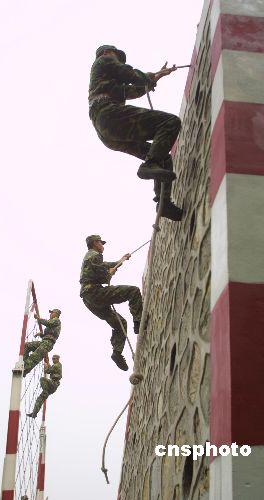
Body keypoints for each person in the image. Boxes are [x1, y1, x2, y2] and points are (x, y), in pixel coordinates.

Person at [88, 44, 183, 221]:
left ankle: (164, 203)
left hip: (107, 131)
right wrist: (147, 78)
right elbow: (130, 74)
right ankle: (150, 165)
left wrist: (156, 77)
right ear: (108, 52)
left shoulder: (107, 83)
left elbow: (133, 90)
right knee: (170, 122)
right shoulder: (104, 60)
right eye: (117, 56)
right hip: (109, 114)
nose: (118, 60)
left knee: (163, 156)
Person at [80, 235, 143, 371]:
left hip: (89, 299)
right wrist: (111, 273)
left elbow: (106, 266)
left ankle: (117, 353)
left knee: (120, 323)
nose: (103, 245)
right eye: (101, 243)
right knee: (134, 291)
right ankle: (139, 322)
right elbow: (104, 276)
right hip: (95, 292)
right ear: (95, 243)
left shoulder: (90, 257)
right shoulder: (94, 256)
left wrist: (121, 260)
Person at [23, 309, 61, 376]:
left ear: (56, 314)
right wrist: (41, 335)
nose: (50, 314)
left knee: (35, 356)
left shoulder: (56, 320)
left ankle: (25, 370)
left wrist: (38, 319)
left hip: (48, 343)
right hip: (44, 342)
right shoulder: (52, 322)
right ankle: (23, 363)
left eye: (52, 313)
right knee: (26, 345)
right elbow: (48, 334)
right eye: (51, 313)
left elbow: (48, 323)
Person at [27, 354, 62, 418]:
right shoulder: (57, 365)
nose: (53, 360)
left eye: (54, 359)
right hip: (52, 386)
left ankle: (45, 391)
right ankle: (34, 413)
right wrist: (48, 364)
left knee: (42, 379)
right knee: (40, 399)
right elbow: (51, 369)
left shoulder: (56, 365)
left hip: (54, 383)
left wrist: (46, 367)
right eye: (53, 359)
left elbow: (48, 371)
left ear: (58, 359)